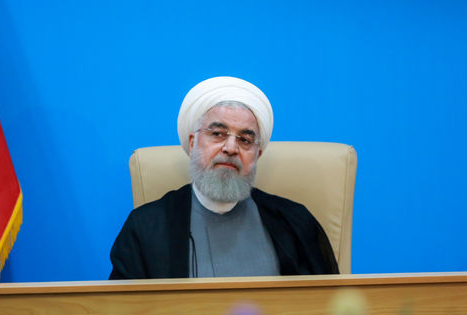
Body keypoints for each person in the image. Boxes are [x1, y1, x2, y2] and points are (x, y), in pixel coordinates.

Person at [109, 76, 339, 279]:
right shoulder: (145, 227)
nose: (231, 148)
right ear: (192, 143)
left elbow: (329, 310)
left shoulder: (295, 223)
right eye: (218, 134)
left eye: (245, 140)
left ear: (257, 155)